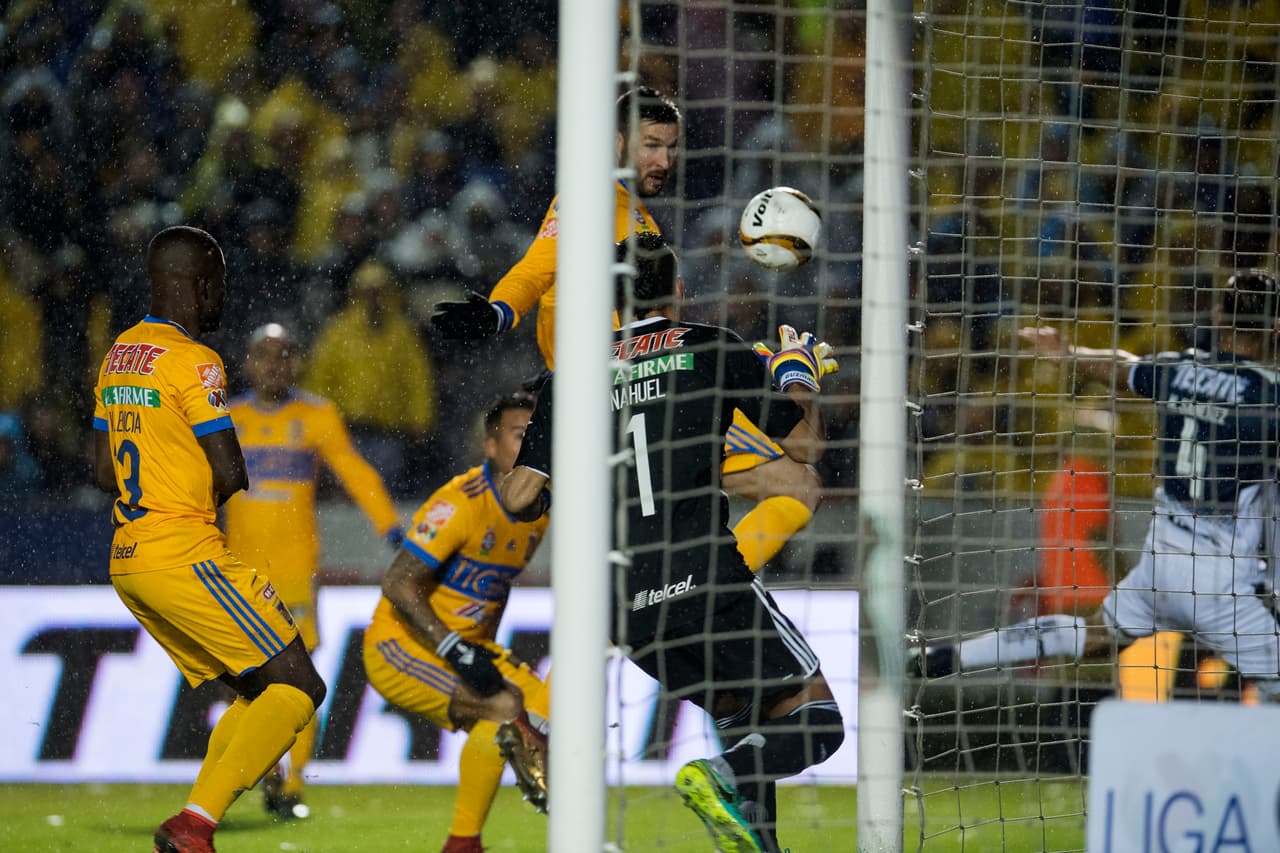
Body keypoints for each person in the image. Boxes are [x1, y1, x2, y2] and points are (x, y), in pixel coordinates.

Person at [498, 234, 845, 853]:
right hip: (705, 577)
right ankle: (724, 775)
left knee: (750, 719)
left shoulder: (569, 377)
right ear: (680, 292)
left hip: (625, 607)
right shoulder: (713, 348)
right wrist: (797, 375)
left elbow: (521, 498)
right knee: (817, 719)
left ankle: (758, 839)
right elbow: (807, 452)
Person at [431, 85, 821, 579]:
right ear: (616, 144)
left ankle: (673, 595)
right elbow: (536, 270)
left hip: (629, 395)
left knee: (668, 529)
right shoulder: (591, 200)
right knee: (798, 483)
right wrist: (498, 313)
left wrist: (745, 365)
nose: (665, 159)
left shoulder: (635, 215)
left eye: (672, 146)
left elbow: (650, 318)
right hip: (640, 393)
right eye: (651, 144)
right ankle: (707, 591)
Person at [910, 269, 1280, 704]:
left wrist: (1067, 353)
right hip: (1219, 578)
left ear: (1219, 315)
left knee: (1094, 634)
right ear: (1275, 327)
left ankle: (954, 654)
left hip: (1161, 562)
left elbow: (1119, 366)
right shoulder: (1270, 395)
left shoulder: (1180, 370)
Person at [91, 226, 326, 853]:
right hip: (183, 551)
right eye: (218, 282)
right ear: (196, 284)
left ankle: (194, 821)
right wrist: (190, 501)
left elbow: (100, 468)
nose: (223, 295)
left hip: (129, 559)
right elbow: (231, 472)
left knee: (257, 689)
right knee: (301, 686)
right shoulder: (196, 360)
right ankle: (195, 825)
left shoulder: (119, 354)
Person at [224, 321, 404, 819]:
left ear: (298, 362)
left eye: (283, 355)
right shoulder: (226, 418)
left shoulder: (316, 416)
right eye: (264, 354)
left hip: (292, 570)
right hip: (233, 573)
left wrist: (390, 527)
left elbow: (355, 471)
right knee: (241, 684)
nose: (273, 364)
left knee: (297, 682)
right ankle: (266, 772)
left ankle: (293, 784)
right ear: (247, 363)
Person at [363, 392, 551, 853]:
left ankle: (465, 843)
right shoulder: (459, 503)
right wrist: (454, 648)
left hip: (471, 648)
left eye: (537, 436)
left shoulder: (539, 506)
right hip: (404, 644)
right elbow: (398, 582)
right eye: (520, 435)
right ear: (490, 446)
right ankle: (463, 844)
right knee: (505, 707)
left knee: (556, 717)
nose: (531, 445)